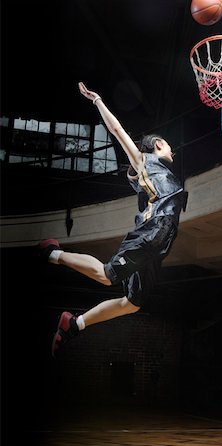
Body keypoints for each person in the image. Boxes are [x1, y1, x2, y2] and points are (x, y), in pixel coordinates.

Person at [39, 82, 186, 357]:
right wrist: (98, 101)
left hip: (160, 243)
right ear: (156, 146)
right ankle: (52, 253)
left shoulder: (164, 177)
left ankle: (73, 324)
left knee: (132, 303)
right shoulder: (145, 162)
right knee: (108, 276)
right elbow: (117, 131)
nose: (173, 151)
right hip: (151, 234)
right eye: (168, 146)